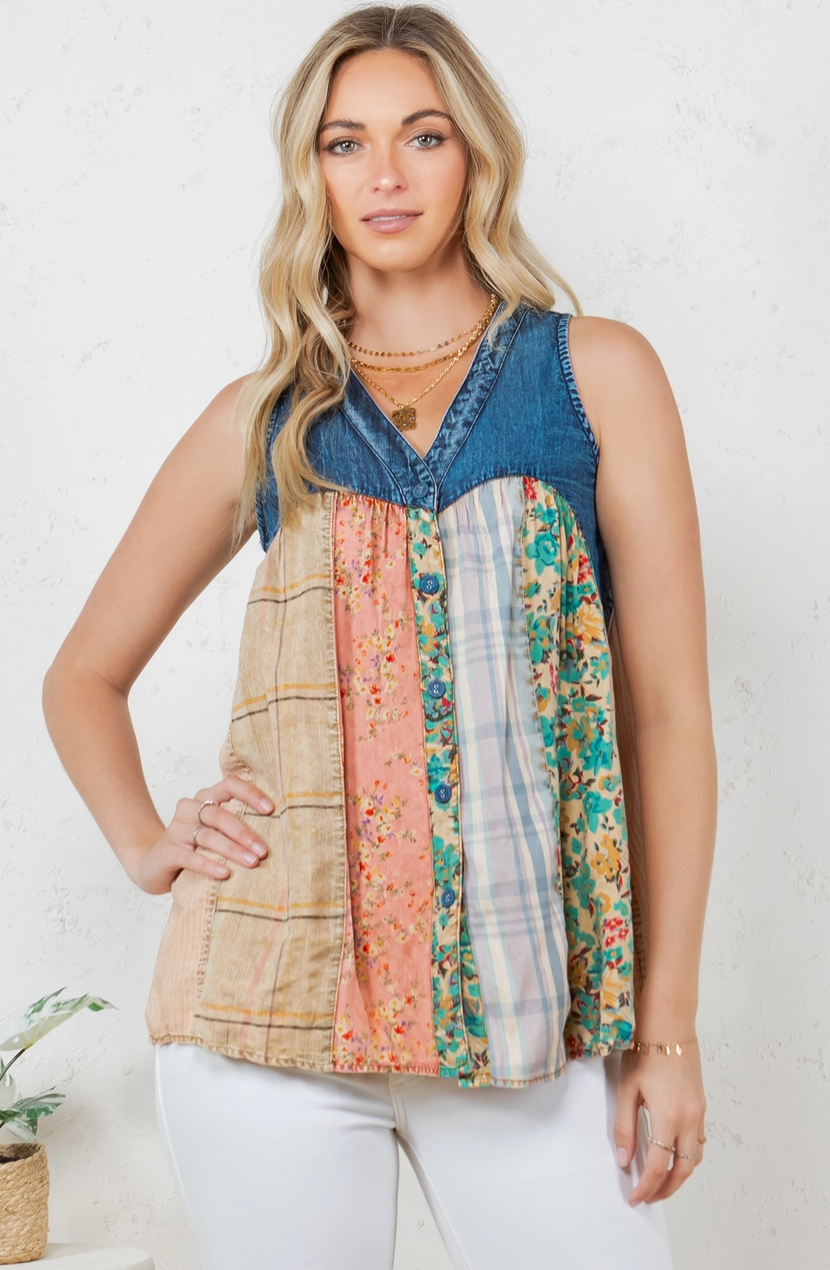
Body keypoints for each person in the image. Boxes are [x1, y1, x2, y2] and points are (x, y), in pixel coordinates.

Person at [42, 5, 717, 1268]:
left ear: (476, 155)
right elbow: (82, 674)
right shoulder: (263, 417)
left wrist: (661, 1027)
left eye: (423, 135)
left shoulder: (593, 374)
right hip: (267, 1023)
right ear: (311, 170)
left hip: (524, 1018)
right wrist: (145, 842)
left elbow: (668, 715)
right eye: (345, 143)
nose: (385, 174)